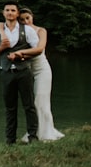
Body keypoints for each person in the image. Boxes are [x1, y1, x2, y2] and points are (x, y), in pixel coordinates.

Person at [0, 1, 40, 144]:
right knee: (10, 107)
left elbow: (37, 50)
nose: (10, 12)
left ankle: (33, 137)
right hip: (6, 72)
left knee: (29, 105)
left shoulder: (27, 30)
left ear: (17, 13)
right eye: (7, 10)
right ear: (3, 13)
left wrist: (21, 55)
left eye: (13, 10)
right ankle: (10, 140)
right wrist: (2, 47)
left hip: (23, 71)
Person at [17, 8, 65, 141]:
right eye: (22, 19)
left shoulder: (40, 31)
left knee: (40, 100)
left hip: (42, 71)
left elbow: (39, 49)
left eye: (28, 18)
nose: (25, 21)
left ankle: (44, 133)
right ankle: (34, 131)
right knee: (31, 103)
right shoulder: (20, 34)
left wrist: (20, 54)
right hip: (27, 72)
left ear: (32, 17)